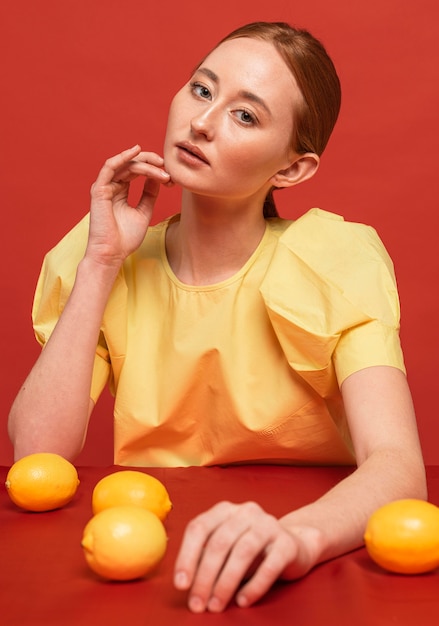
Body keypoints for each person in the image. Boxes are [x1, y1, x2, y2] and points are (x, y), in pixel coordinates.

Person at [8, 22, 426, 613]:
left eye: (246, 116)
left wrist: (297, 539)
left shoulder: (334, 263)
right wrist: (101, 263)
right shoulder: (107, 258)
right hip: (145, 546)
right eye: (202, 90)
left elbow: (400, 469)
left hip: (303, 538)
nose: (201, 122)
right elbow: (36, 456)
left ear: (293, 170)